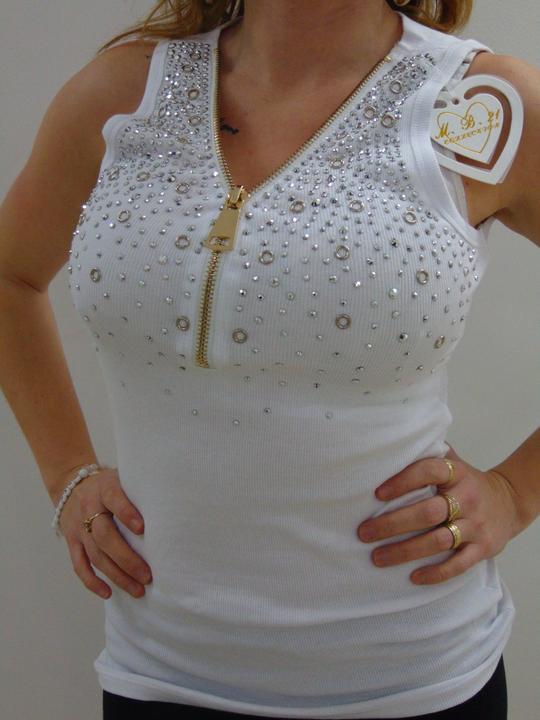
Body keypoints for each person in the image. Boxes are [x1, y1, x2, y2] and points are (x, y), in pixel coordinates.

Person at [1, 0, 539, 718]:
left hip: (416, 679)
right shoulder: (125, 92)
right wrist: (67, 473)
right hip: (160, 671)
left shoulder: (486, 104)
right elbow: (10, 274)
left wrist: (515, 493)